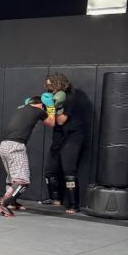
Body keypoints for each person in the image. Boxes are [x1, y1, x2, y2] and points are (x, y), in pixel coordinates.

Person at [0, 96, 56, 218]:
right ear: (41, 104)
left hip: (4, 145)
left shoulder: (20, 109)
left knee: (12, 178)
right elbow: (52, 122)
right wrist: (51, 107)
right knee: (22, 180)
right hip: (15, 146)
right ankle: (3, 204)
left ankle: (11, 202)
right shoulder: (38, 111)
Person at [41, 72, 83, 214]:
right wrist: (46, 107)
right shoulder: (53, 98)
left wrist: (55, 108)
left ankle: (73, 205)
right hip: (59, 137)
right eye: (48, 86)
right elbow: (52, 122)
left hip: (72, 137)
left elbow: (60, 121)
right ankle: (55, 199)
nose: (50, 89)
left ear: (59, 84)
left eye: (52, 86)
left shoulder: (70, 98)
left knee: (69, 170)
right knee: (50, 169)